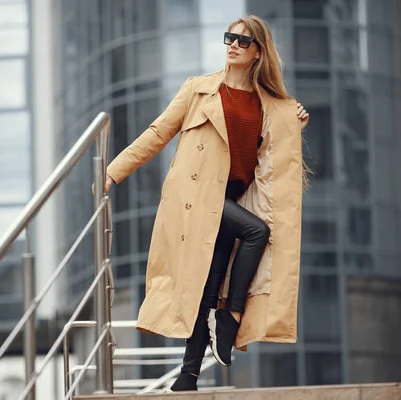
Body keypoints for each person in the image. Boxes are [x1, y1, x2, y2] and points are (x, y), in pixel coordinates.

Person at [97, 15, 311, 392]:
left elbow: (277, 152)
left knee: (207, 284)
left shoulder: (271, 105)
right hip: (196, 199)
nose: (233, 45)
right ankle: (230, 315)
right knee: (256, 230)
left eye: (243, 41)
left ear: (259, 52)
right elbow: (159, 131)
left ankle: (187, 377)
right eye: (230, 37)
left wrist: (295, 123)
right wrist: (113, 172)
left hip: (231, 198)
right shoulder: (199, 90)